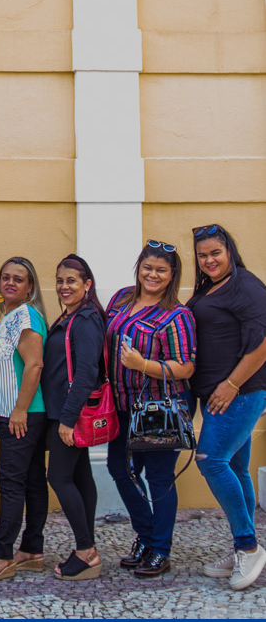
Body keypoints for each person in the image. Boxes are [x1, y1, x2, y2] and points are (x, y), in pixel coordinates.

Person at [105, 241, 196, 578]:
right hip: (122, 404)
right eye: (148, 267)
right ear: (139, 267)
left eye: (161, 270)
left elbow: (186, 367)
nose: (152, 274)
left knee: (159, 478)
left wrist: (143, 364)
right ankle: (146, 536)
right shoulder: (121, 299)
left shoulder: (176, 315)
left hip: (160, 405)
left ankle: (160, 549)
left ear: (172, 275)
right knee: (120, 469)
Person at [187, 224, 266, 590]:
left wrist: (232, 384)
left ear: (229, 251)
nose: (209, 260)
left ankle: (248, 548)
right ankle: (243, 546)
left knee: (211, 460)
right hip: (218, 392)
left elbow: (263, 341)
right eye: (202, 255)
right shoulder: (210, 288)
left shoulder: (245, 284)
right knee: (236, 466)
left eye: (215, 253)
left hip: (241, 391)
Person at [0, 256, 48, 582]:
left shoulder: (27, 316)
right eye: (6, 277)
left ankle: (2, 553)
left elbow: (34, 365)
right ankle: (31, 549)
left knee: (10, 483)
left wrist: (20, 409)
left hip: (23, 415)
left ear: (29, 286)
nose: (10, 283)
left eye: (19, 279)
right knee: (31, 480)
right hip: (11, 414)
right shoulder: (7, 318)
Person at [41, 255, 106, 580]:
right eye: (60, 281)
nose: (64, 287)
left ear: (87, 285)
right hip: (63, 412)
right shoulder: (71, 317)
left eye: (72, 281)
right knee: (81, 478)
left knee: (60, 478)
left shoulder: (85, 320)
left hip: (70, 414)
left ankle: (85, 551)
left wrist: (67, 420)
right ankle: (87, 546)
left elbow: (86, 374)